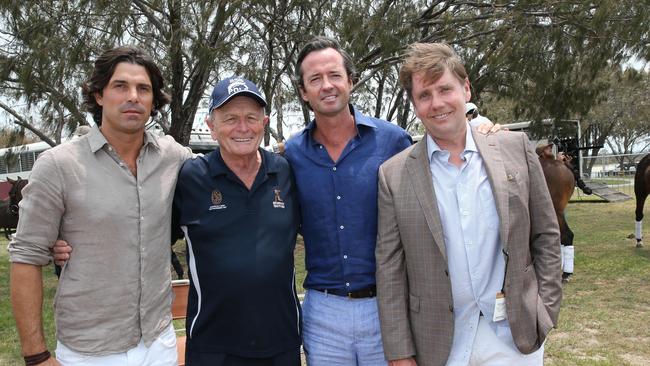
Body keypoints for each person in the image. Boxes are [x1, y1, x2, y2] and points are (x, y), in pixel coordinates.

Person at [375, 42, 562, 366]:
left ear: (465, 88)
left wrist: (544, 307)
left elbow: (546, 234)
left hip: (513, 338)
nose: (437, 104)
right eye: (424, 95)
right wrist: (400, 352)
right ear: (415, 104)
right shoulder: (393, 175)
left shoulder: (515, 148)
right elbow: (390, 270)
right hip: (437, 344)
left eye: (445, 89)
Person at [9, 46, 191, 366]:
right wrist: (36, 356)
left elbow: (225, 171)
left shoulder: (173, 157)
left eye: (143, 88)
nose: (133, 96)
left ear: (153, 100)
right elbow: (25, 257)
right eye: (120, 86)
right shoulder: (58, 165)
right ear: (98, 95)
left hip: (158, 342)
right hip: (89, 351)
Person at [282, 36, 414, 365]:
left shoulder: (394, 141)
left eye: (334, 75)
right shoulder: (292, 155)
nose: (326, 85)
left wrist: (482, 134)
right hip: (323, 312)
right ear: (303, 91)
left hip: (385, 306)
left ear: (350, 81)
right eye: (315, 79)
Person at [171, 76, 302, 365]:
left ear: (264, 122)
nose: (242, 128)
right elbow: (148, 235)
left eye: (250, 118)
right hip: (213, 346)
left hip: (281, 342)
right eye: (230, 118)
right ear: (211, 126)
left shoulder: (285, 172)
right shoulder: (191, 177)